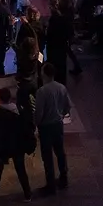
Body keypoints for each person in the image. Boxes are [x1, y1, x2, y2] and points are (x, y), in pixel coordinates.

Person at [0, 86, 33, 203]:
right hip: (17, 145)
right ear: (10, 98)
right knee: (21, 170)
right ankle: (27, 194)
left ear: (0, 99)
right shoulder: (19, 110)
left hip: (2, 147)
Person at [33, 63, 71, 193]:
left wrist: (36, 125)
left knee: (47, 156)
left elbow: (39, 113)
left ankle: (50, 185)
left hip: (46, 127)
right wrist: (60, 114)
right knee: (60, 152)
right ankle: (64, 178)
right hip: (58, 125)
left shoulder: (42, 92)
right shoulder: (62, 88)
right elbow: (67, 106)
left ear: (44, 74)